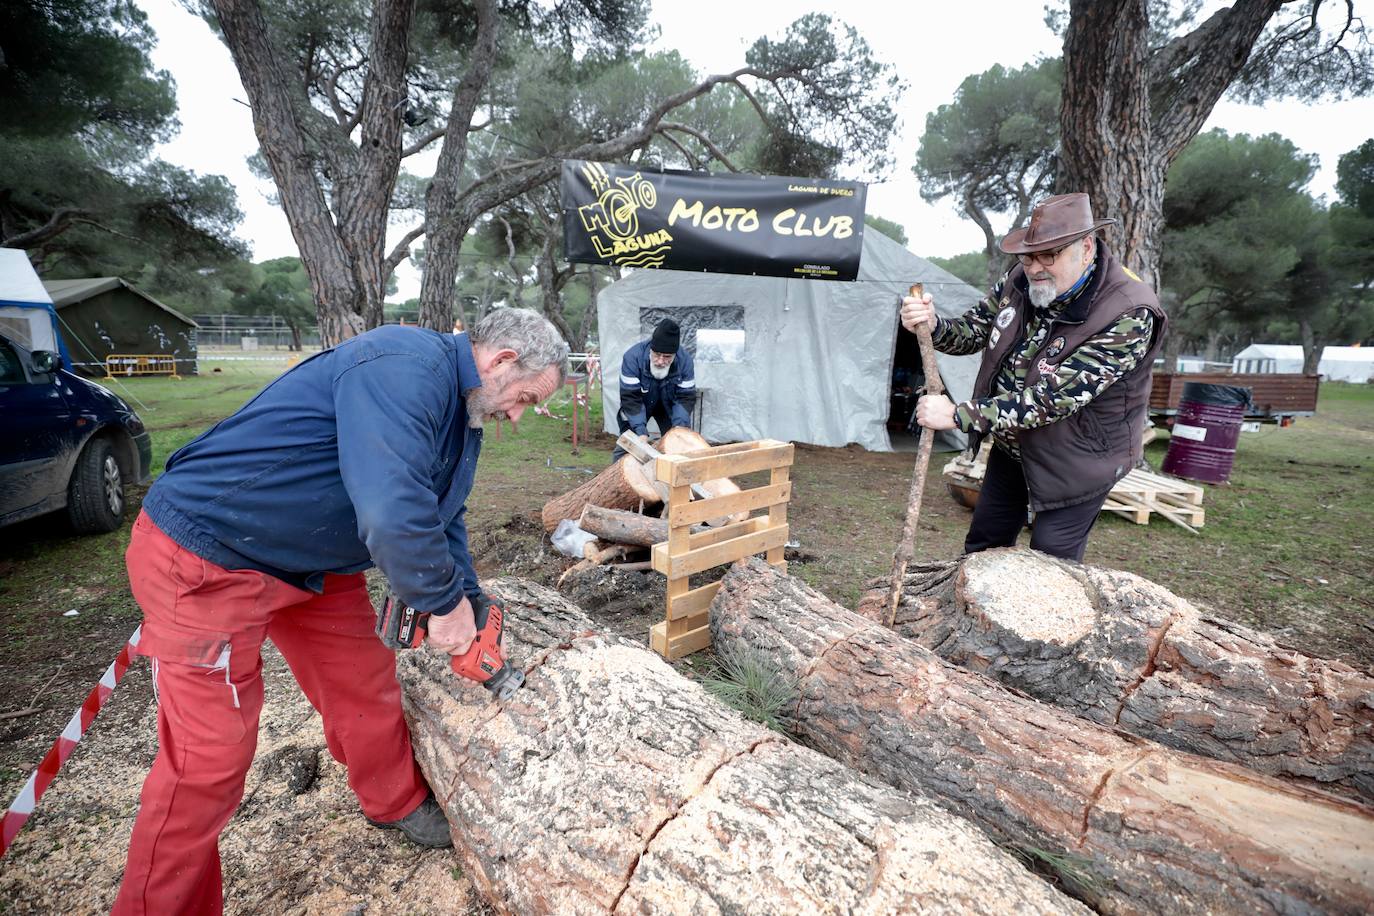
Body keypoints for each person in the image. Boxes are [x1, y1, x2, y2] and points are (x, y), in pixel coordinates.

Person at [113, 308, 568, 914]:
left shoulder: (461, 415)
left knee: (363, 682)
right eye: (527, 398)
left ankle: (394, 800)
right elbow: (390, 508)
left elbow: (442, 516)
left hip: (309, 561)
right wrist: (440, 606)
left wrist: (471, 603)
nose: (520, 414)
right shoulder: (403, 365)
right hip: (209, 552)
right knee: (208, 760)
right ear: (503, 360)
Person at [900, 192, 1168, 562]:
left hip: (1080, 460)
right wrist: (932, 326)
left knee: (1050, 563)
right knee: (983, 547)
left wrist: (960, 415)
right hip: (1014, 449)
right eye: (1028, 256)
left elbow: (1053, 398)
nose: (1035, 267)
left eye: (1050, 255)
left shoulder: (1129, 312)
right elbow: (973, 331)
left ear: (1086, 247)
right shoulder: (1018, 281)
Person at [612, 318, 696, 459]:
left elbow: (685, 398)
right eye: (657, 355)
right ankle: (615, 475)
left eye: (667, 357)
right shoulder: (632, 358)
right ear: (651, 348)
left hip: (669, 406)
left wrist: (678, 429)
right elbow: (631, 399)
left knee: (677, 443)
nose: (661, 361)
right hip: (639, 403)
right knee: (628, 445)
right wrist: (640, 432)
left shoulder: (685, 361)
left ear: (675, 355)